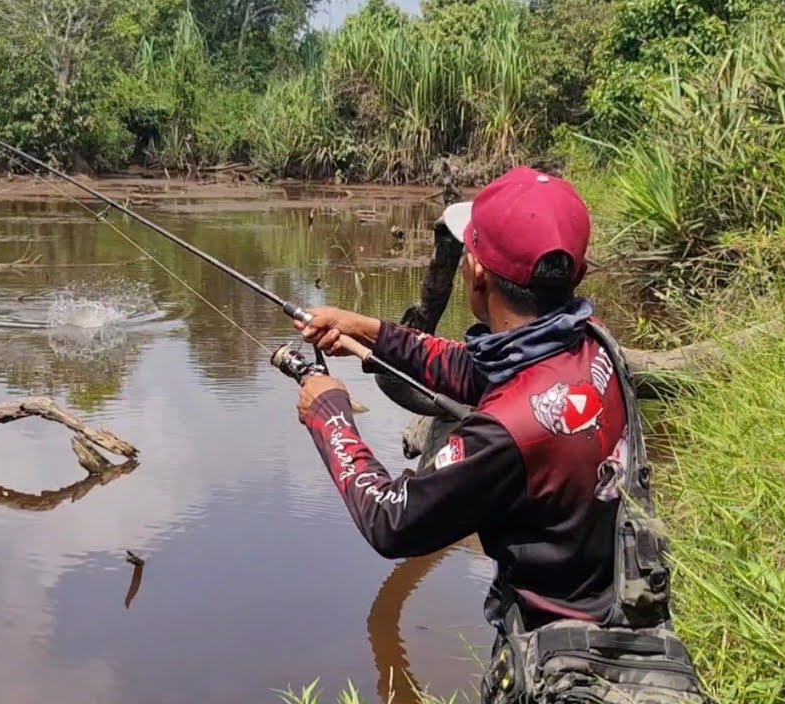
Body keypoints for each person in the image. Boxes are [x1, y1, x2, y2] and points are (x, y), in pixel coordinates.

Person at [292, 167, 707, 703]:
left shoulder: (507, 433)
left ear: (475, 271)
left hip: (563, 662)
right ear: (575, 271)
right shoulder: (591, 344)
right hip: (625, 610)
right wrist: (370, 332)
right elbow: (479, 368)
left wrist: (329, 413)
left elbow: (392, 519)